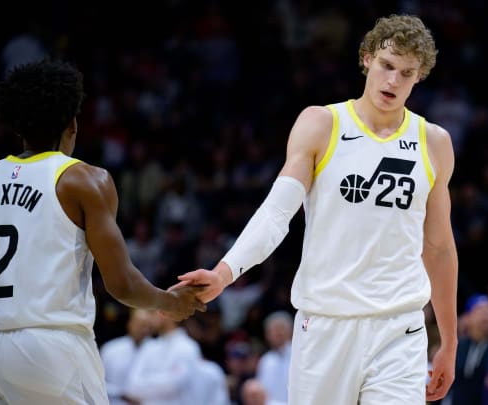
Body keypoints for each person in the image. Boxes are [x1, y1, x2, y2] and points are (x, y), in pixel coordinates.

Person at [176, 13, 459, 404]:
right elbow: (278, 212)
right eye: (387, 66)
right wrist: (225, 273)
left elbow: (440, 247)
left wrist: (449, 339)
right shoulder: (320, 123)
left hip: (399, 328)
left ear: (420, 77)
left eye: (407, 73)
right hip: (325, 324)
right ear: (366, 59)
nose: (393, 81)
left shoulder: (434, 143)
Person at [0, 59, 206, 404]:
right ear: (72, 125)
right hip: (50, 348)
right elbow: (122, 284)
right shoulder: (84, 179)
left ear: (17, 127)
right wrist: (171, 303)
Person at [100, 309, 156, 405]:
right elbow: (98, 382)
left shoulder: (157, 350)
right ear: (130, 324)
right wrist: (121, 394)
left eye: (148, 327)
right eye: (141, 325)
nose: (144, 330)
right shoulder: (110, 349)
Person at [256, 310, 293, 403]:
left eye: (281, 329)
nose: (278, 333)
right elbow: (262, 393)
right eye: (274, 330)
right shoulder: (265, 360)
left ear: (291, 331)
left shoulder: (299, 355)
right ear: (267, 335)